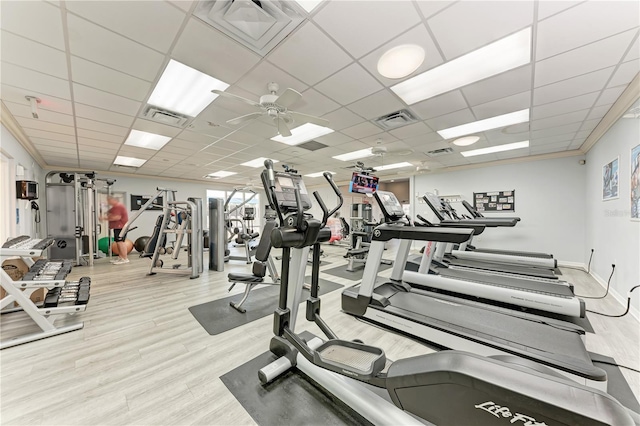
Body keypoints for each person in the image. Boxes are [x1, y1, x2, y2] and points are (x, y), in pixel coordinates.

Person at [101, 196, 130, 264]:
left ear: (113, 200)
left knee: (120, 242)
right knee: (118, 241)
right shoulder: (115, 207)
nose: (108, 202)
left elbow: (117, 217)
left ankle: (125, 258)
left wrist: (104, 218)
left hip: (121, 227)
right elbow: (111, 214)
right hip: (117, 227)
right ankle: (121, 257)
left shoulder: (119, 206)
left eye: (109, 200)